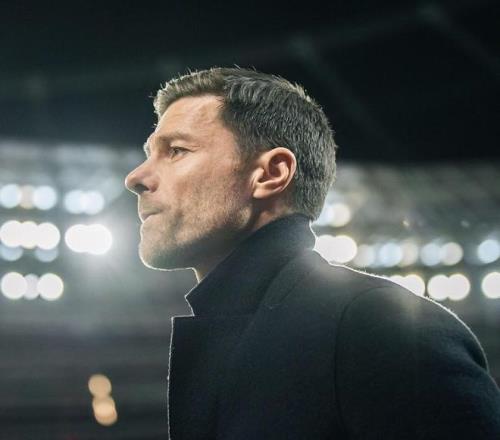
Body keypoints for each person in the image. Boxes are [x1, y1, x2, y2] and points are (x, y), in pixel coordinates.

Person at [125, 67, 500, 439]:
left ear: (271, 174)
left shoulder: (380, 326)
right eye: (149, 154)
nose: (136, 177)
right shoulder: (326, 326)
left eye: (176, 151)